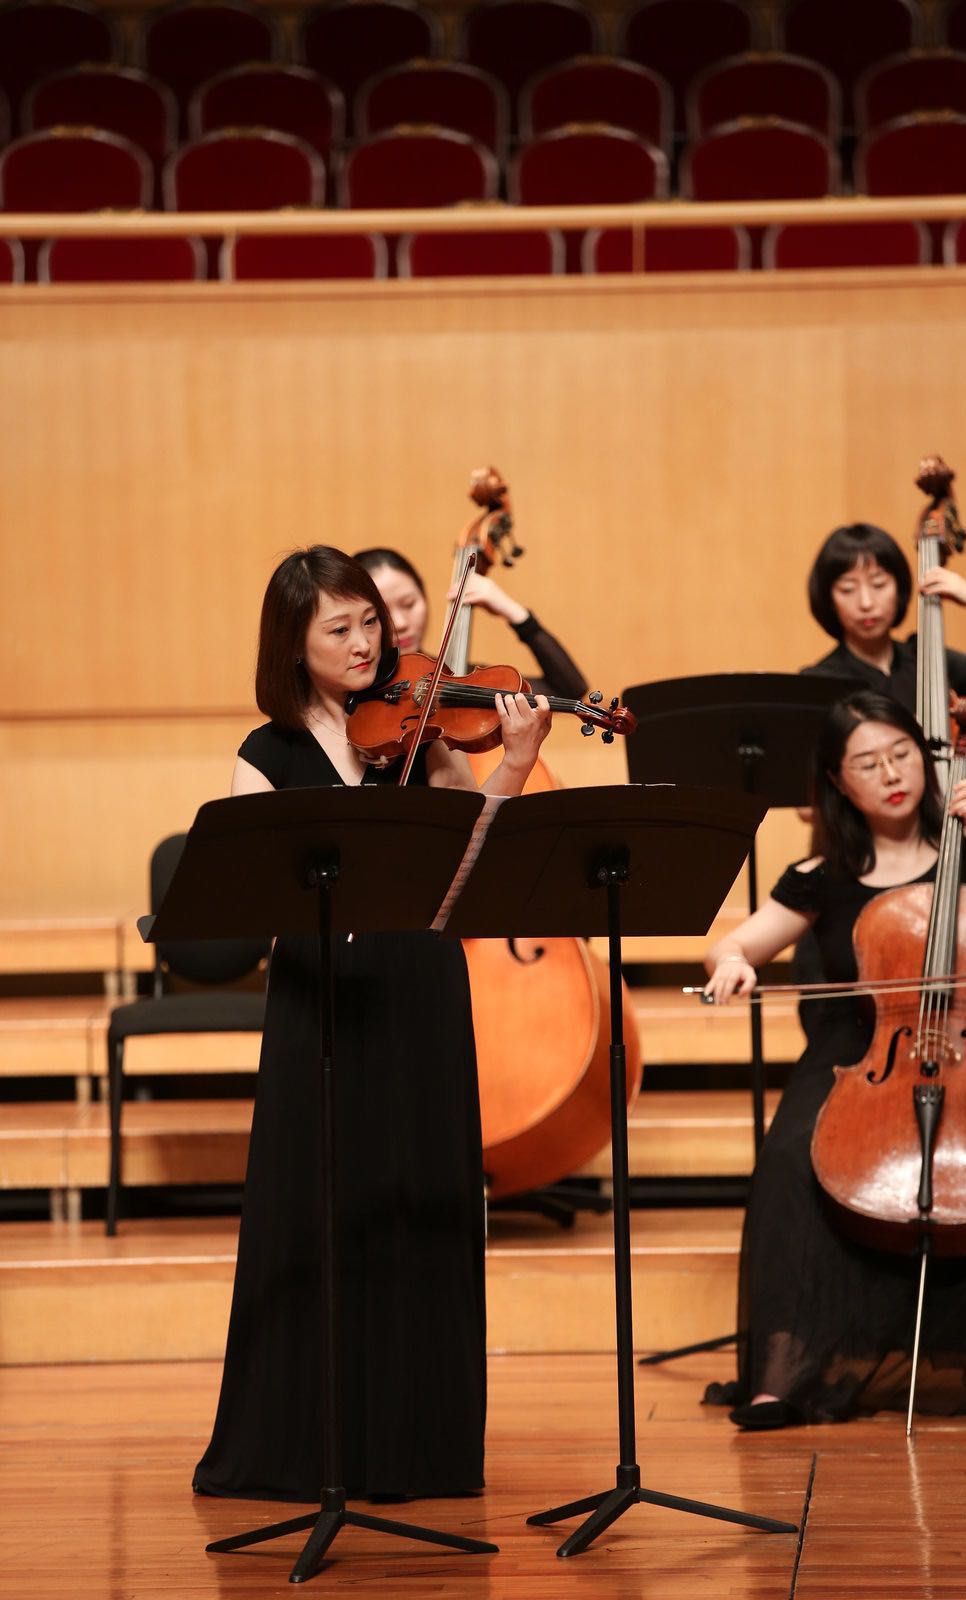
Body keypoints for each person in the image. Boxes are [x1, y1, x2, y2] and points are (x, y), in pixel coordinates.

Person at [193, 546, 551, 1502]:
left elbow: (472, 861)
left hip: (419, 982)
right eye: (339, 629)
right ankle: (304, 1449)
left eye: (370, 624)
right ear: (293, 645)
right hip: (319, 994)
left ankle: (418, 1449)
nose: (365, 643)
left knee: (419, 1204)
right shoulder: (265, 755)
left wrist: (514, 764)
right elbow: (254, 892)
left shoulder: (425, 735)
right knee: (319, 1209)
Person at [703, 689, 966, 1429]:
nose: (891, 773)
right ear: (837, 781)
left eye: (901, 754)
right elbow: (735, 944)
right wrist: (731, 962)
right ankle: (782, 1376)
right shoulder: (819, 877)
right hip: (857, 1052)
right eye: (867, 762)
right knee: (790, 1160)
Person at [800, 522, 966, 707]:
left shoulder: (927, 658)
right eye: (847, 589)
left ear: (899, 588)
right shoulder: (818, 683)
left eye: (878, 584)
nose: (866, 603)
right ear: (829, 600)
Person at [354, 546, 588, 702]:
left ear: (424, 597)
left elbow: (568, 691)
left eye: (409, 604)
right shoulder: (350, 692)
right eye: (382, 613)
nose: (400, 623)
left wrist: (516, 615)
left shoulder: (456, 679)